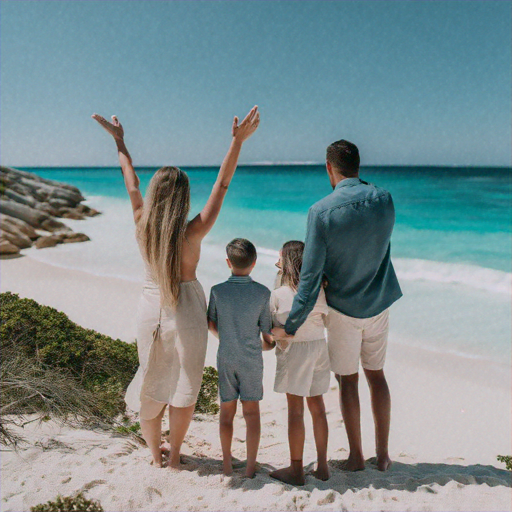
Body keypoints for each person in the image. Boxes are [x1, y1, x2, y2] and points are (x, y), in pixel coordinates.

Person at [91, 106, 260, 468]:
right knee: (184, 386)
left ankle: (155, 456)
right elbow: (222, 184)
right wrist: (237, 143)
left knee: (152, 381)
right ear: (183, 198)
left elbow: (130, 178)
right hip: (186, 309)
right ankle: (175, 458)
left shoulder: (141, 222)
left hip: (151, 306)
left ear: (154, 194)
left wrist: (120, 141)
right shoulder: (193, 231)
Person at [272, 140, 402, 472]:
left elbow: (311, 277)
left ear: (329, 168)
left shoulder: (321, 211)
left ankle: (357, 457)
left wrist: (291, 324)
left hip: (345, 309)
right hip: (380, 301)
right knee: (377, 376)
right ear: (358, 165)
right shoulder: (384, 199)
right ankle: (384, 455)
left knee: (348, 380)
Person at [207, 238, 274, 478]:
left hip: (226, 356)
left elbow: (211, 323)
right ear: (255, 263)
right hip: (251, 360)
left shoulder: (217, 291)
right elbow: (267, 333)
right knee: (252, 413)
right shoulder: (263, 293)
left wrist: (225, 338)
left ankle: (226, 464)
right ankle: (249, 467)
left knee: (226, 412)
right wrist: (267, 346)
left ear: (228, 262)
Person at [269, 241, 330, 486]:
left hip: (297, 351)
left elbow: (271, 328)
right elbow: (325, 319)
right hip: (319, 347)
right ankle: (323, 465)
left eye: (279, 259)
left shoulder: (280, 294)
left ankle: (296, 469)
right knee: (318, 406)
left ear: (286, 263)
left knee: (295, 410)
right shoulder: (318, 289)